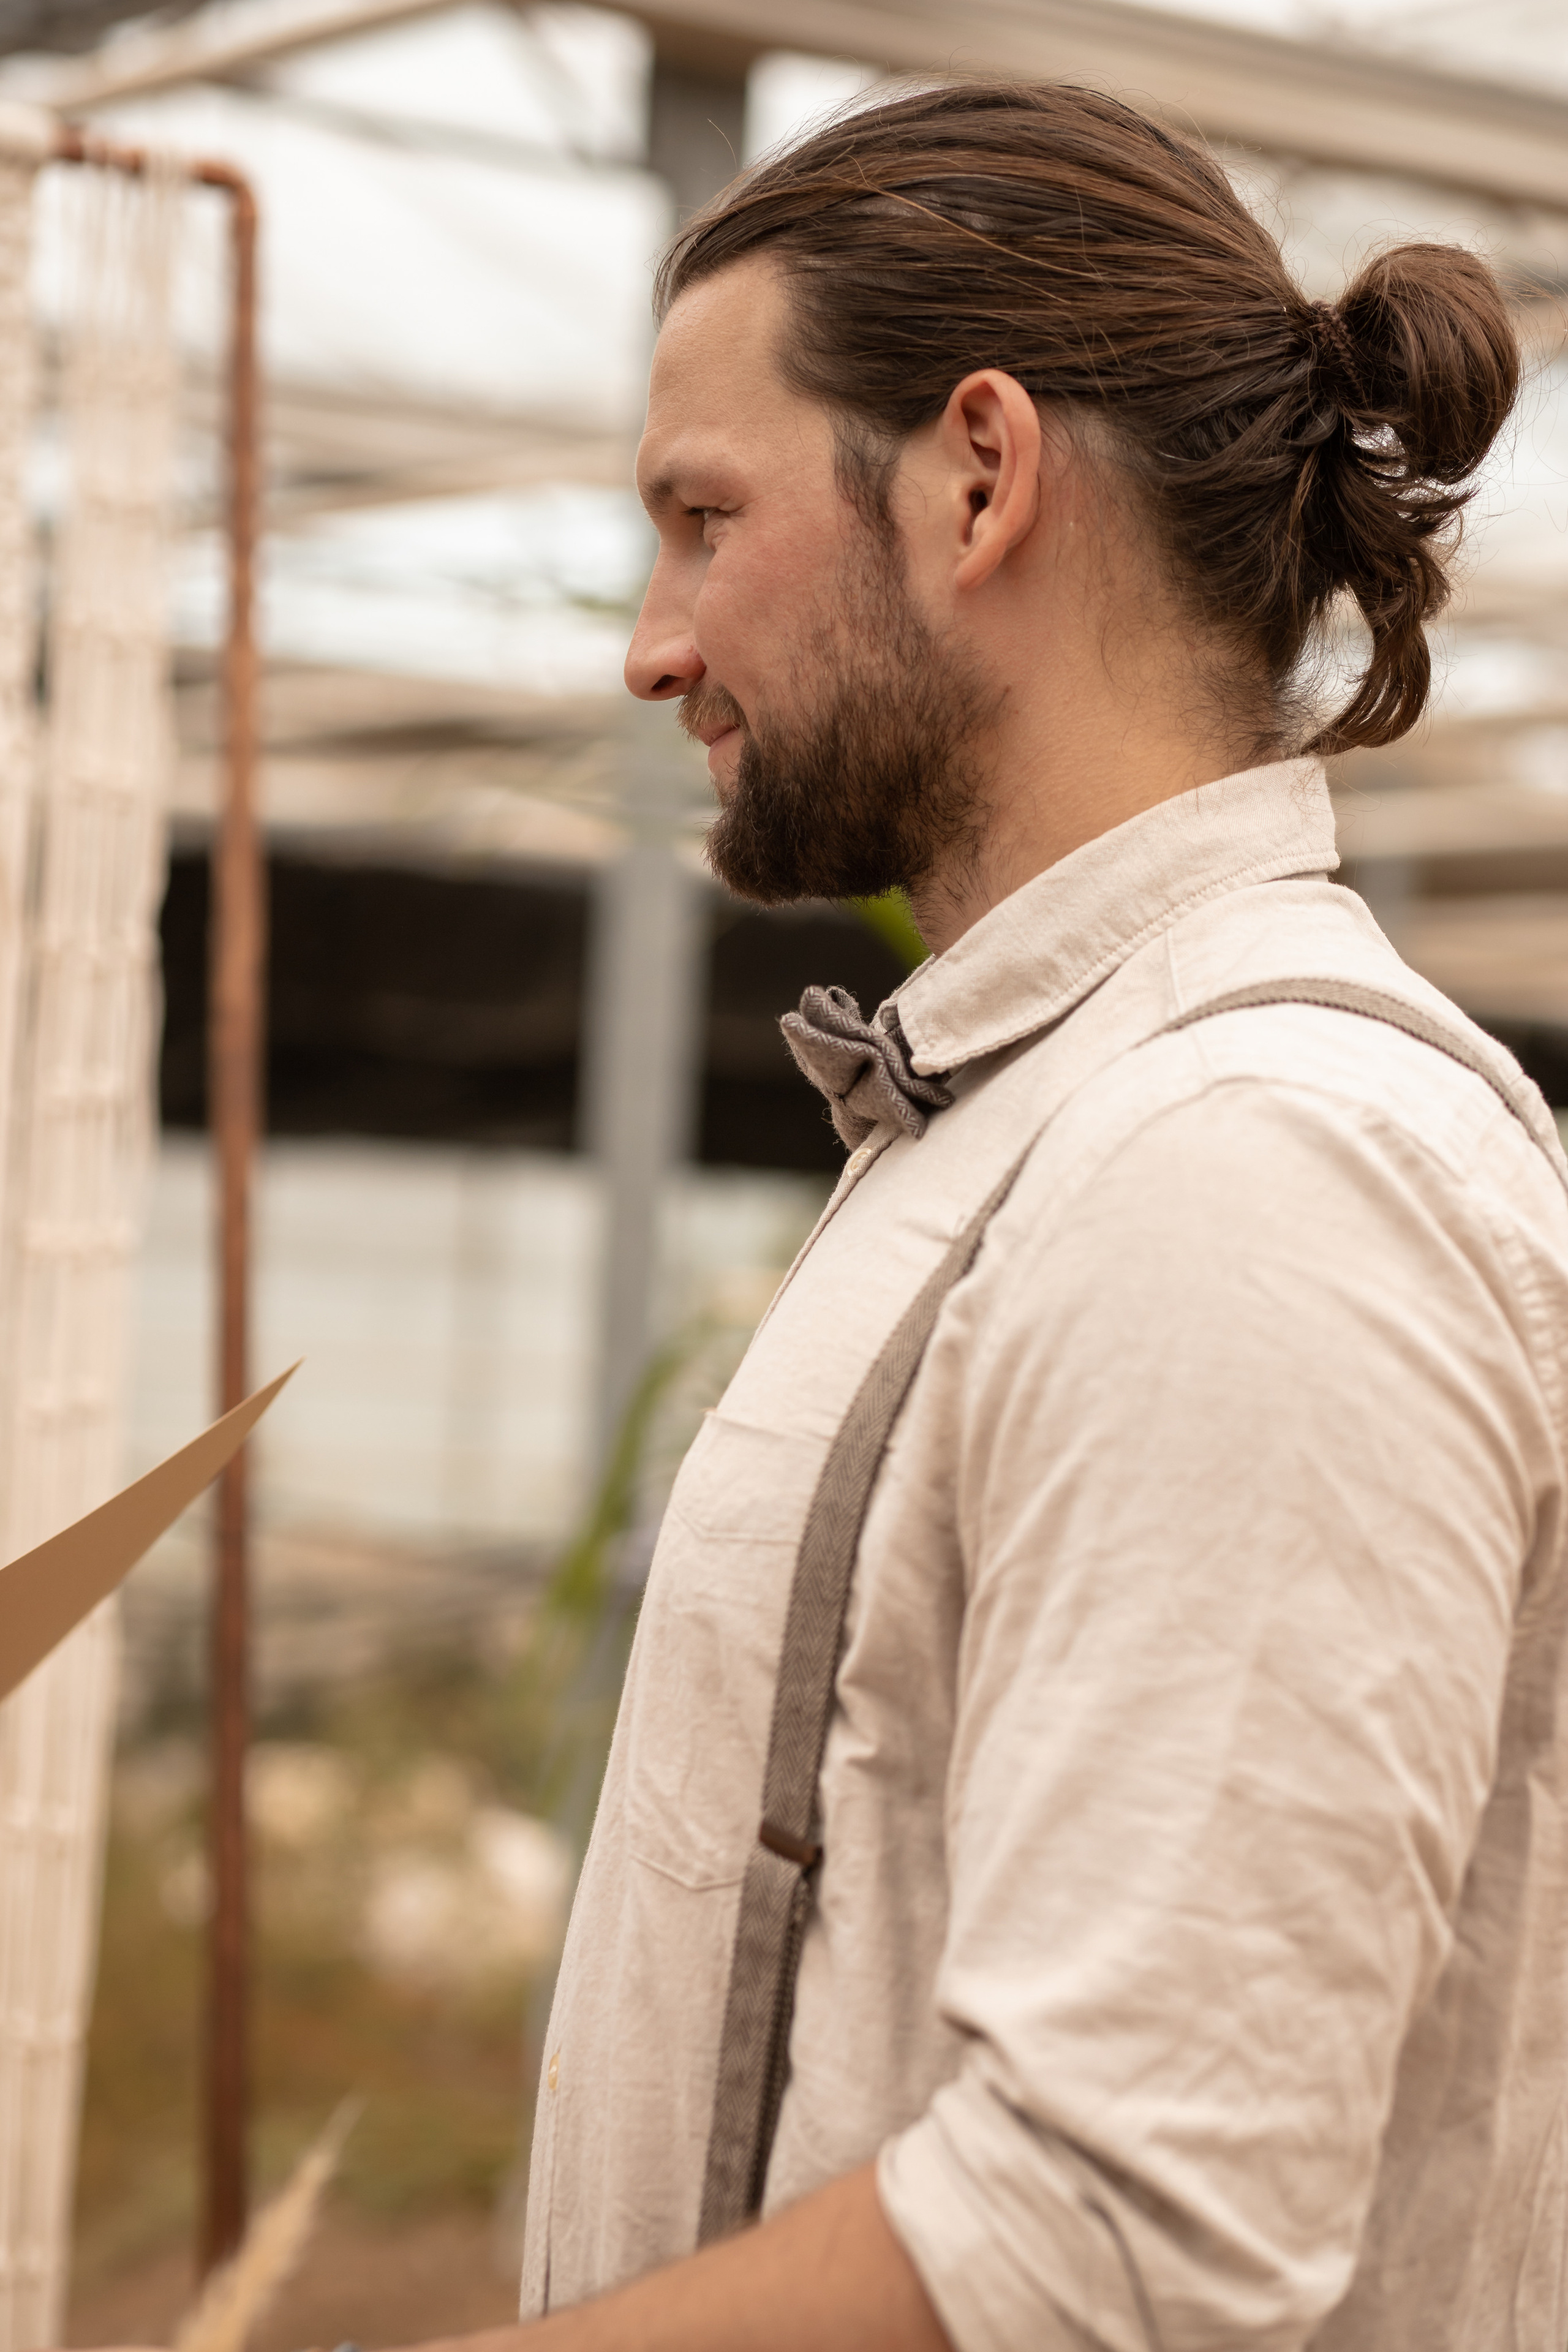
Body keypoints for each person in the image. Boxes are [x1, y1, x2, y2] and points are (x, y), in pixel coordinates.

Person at [438, 78, 1568, 2352]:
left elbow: (1117, 2237)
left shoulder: (1257, 1167)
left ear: (978, 474)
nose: (651, 648)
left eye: (701, 517)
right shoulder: (1056, 1116)